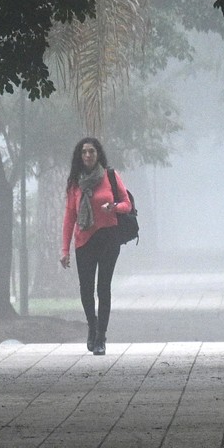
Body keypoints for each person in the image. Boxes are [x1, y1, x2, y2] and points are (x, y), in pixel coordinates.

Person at [60, 137, 133, 355]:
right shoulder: (75, 183)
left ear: (98, 154)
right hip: (84, 241)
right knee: (86, 290)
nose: (88, 155)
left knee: (103, 288)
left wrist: (114, 207)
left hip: (109, 238)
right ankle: (92, 325)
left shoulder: (110, 176)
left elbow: (127, 204)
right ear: (80, 156)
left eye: (92, 151)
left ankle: (101, 337)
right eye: (84, 152)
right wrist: (64, 250)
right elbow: (69, 216)